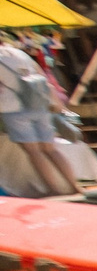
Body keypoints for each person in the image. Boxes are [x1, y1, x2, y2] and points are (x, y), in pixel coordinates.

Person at [0, 35, 77, 196]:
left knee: (33, 151)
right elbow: (42, 76)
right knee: (50, 149)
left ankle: (53, 189)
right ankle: (75, 186)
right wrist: (56, 103)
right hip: (39, 104)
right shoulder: (19, 53)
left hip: (13, 108)